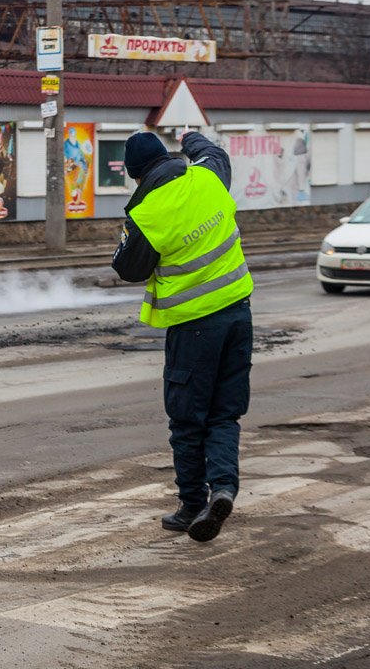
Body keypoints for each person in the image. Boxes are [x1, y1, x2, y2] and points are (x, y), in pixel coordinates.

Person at [111, 130, 253, 543]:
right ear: (169, 156)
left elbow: (128, 268)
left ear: (136, 176)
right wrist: (191, 137)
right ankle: (223, 488)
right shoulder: (208, 178)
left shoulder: (148, 215)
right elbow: (214, 153)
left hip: (194, 328)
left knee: (188, 420)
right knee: (224, 414)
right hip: (238, 315)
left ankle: (192, 503)